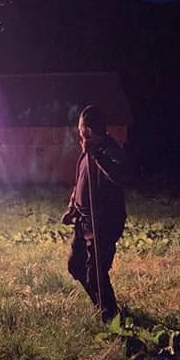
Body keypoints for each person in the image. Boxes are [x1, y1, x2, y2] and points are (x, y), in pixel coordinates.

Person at [61, 105, 130, 322]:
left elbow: (121, 176)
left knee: (96, 275)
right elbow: (80, 181)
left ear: (88, 129)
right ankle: (102, 306)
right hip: (84, 222)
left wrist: (98, 155)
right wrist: (72, 207)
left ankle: (111, 318)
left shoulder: (110, 149)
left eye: (80, 127)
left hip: (103, 223)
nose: (78, 131)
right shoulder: (86, 150)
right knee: (76, 266)